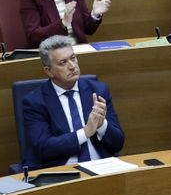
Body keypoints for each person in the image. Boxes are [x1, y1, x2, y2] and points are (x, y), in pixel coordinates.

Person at [21, 35, 125, 169]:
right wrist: (85, 132)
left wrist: (101, 125)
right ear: (49, 71)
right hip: (61, 170)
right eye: (63, 63)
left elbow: (118, 143)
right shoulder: (35, 102)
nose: (72, 66)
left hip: (101, 166)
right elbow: (43, 148)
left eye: (73, 58)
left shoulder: (98, 90)